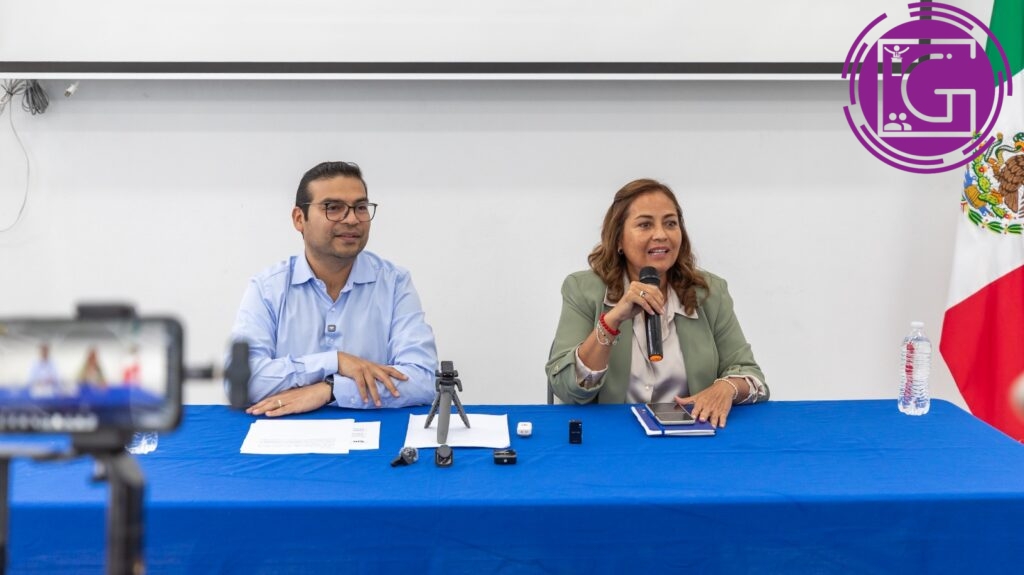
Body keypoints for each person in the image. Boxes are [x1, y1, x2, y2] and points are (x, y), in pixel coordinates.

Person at [546, 178, 768, 427]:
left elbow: (751, 376)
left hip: (690, 435)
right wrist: (612, 321)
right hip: (611, 437)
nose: (661, 235)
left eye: (670, 223)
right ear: (618, 239)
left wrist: (727, 387)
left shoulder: (710, 293)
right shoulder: (583, 290)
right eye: (645, 224)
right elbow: (566, 388)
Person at [229, 161, 438, 417]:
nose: (352, 219)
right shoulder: (267, 288)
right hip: (284, 433)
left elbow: (423, 380)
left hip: (373, 435)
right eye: (333, 208)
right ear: (299, 219)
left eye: (360, 207)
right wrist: (334, 361)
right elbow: (239, 381)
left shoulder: (394, 283)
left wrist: (331, 389)